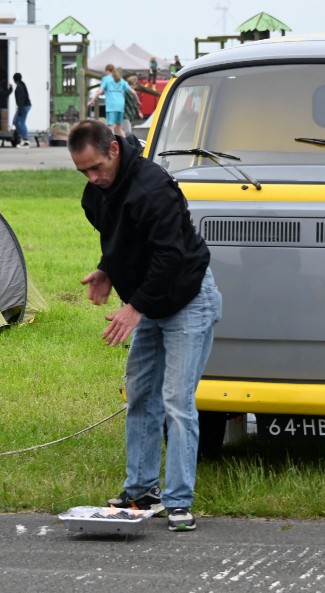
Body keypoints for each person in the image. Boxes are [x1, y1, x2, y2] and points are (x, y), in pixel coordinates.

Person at [68, 119, 221, 532]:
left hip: (189, 297)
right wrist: (106, 271)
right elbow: (123, 243)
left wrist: (134, 308)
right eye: (83, 171)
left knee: (177, 400)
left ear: (114, 150)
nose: (92, 178)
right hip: (151, 299)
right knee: (139, 394)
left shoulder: (154, 187)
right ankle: (140, 490)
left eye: (97, 167)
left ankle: (179, 501)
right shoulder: (95, 196)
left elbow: (169, 257)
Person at [88, 64, 133, 137]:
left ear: (106, 71)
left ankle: (113, 145)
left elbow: (99, 91)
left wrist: (92, 100)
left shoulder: (106, 79)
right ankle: (126, 144)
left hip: (112, 105)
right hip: (120, 105)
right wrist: (138, 101)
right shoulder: (121, 80)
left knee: (111, 127)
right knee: (119, 128)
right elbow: (132, 91)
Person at [12, 72, 31, 147]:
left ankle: (25, 139)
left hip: (23, 106)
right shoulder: (22, 84)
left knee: (20, 122)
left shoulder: (19, 87)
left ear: (14, 79)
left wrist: (20, 110)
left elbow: (21, 99)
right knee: (16, 121)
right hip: (24, 106)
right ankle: (23, 137)